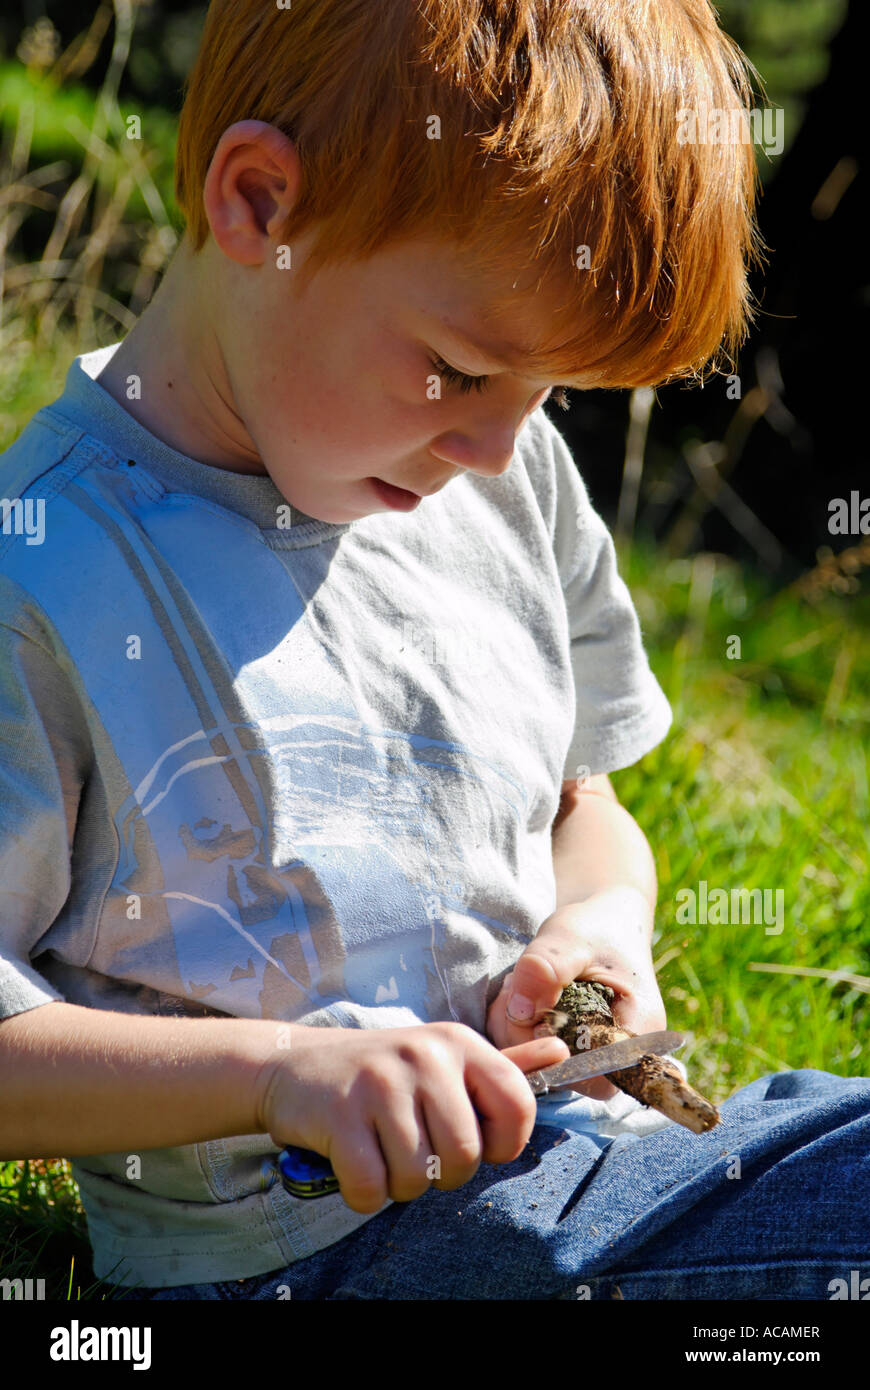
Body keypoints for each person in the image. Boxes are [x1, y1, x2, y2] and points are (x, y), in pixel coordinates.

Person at [0, 0, 866, 1301]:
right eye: (460, 370)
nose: (500, 448)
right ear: (259, 205)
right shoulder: (45, 574)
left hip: (604, 1166)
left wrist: (596, 922)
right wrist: (282, 1079)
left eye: (547, 395)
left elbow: (583, 805)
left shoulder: (488, 484)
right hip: (329, 1252)